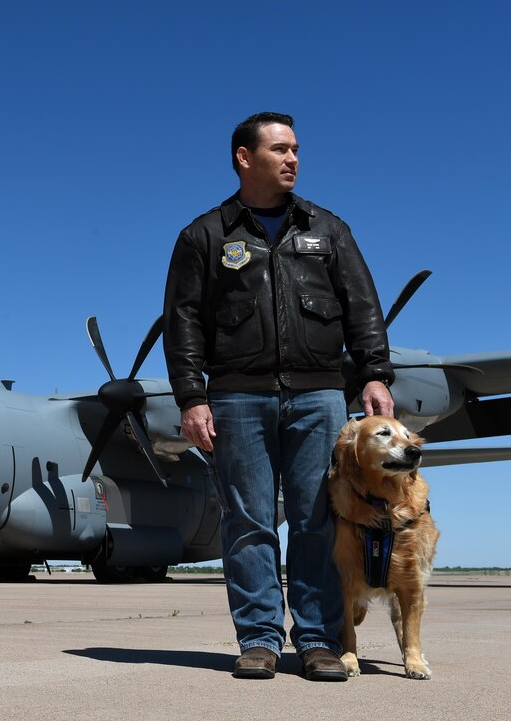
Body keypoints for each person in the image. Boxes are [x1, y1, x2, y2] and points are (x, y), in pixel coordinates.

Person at [161, 112, 395, 681]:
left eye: (296, 150)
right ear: (245, 157)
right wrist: (192, 398)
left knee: (317, 518)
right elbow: (184, 321)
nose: (293, 159)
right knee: (248, 521)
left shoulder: (328, 229)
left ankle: (317, 638)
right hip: (238, 398)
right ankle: (259, 638)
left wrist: (373, 373)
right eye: (281, 149)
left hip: (319, 395)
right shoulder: (205, 235)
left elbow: (362, 306)